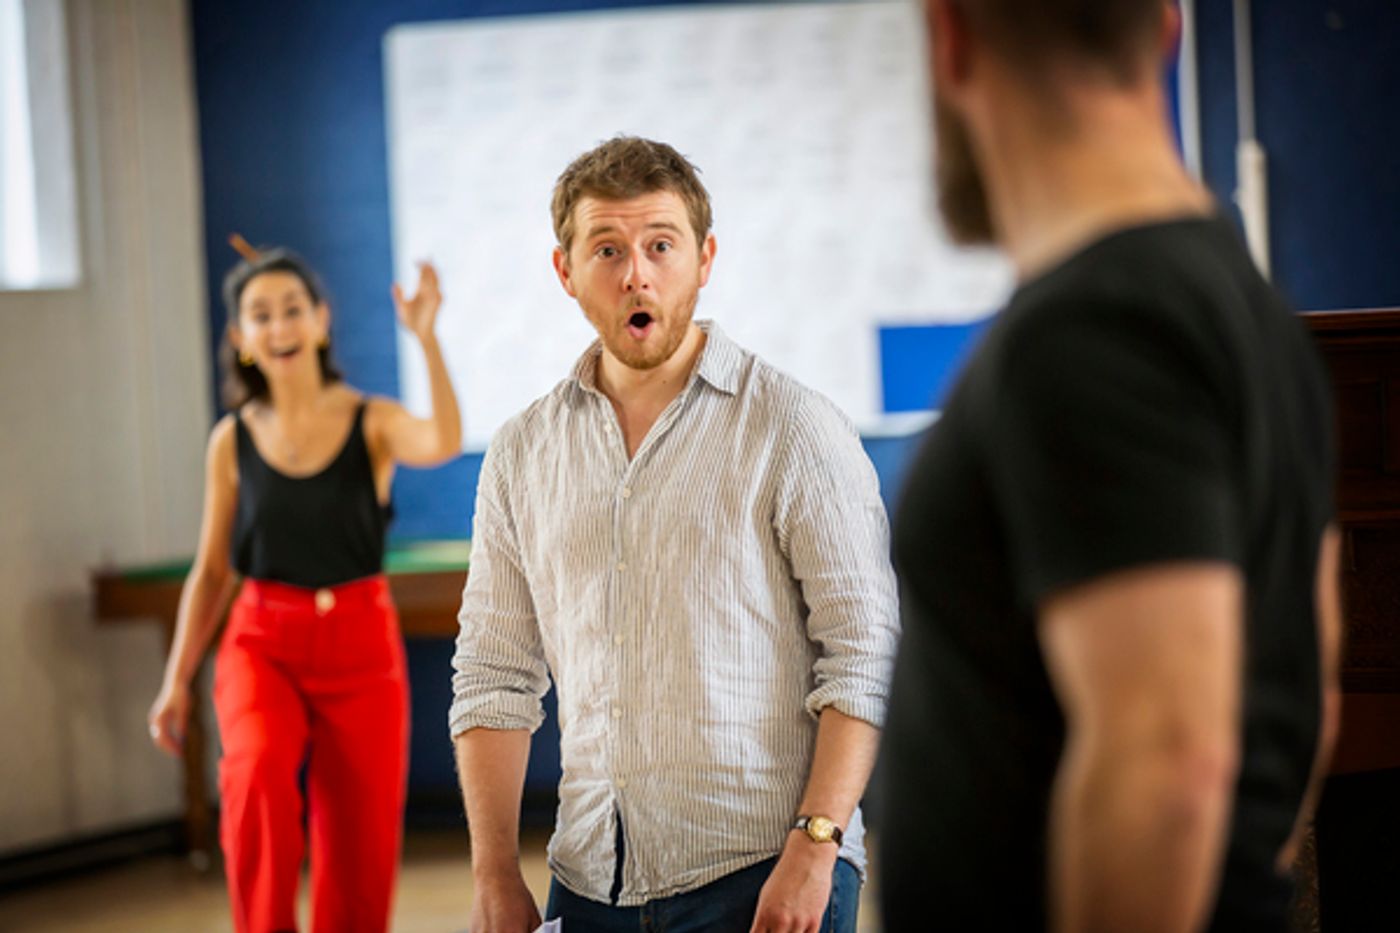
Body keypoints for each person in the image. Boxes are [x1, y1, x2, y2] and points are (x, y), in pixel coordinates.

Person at [879, 1, 1340, 929]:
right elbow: (1310, 686)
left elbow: (1169, 760)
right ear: (1168, 28)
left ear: (950, 36)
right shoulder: (1241, 303)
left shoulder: (1094, 330)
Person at [448, 136, 900, 933]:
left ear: (704, 259)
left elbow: (863, 651)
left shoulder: (794, 427)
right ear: (565, 271)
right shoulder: (522, 453)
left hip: (767, 873)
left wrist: (817, 844)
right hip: (589, 882)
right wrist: (493, 871)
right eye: (607, 250)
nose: (636, 273)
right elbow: (494, 674)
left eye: (661, 245)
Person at [146, 246, 462, 933]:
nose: (279, 324)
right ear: (242, 338)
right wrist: (176, 681)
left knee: (360, 837)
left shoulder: (371, 421)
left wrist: (427, 338)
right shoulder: (230, 441)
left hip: (361, 643)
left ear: (321, 321)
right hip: (262, 642)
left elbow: (442, 438)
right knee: (255, 775)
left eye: (293, 308)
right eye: (261, 314)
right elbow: (212, 570)